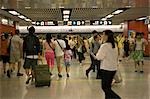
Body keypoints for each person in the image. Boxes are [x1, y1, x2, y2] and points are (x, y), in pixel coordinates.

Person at [96, 30, 121, 99]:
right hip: (113, 69)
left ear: (107, 36)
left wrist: (97, 52)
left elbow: (98, 57)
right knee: (108, 87)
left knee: (105, 87)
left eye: (103, 35)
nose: (102, 36)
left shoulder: (104, 46)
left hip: (106, 69)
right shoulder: (114, 45)